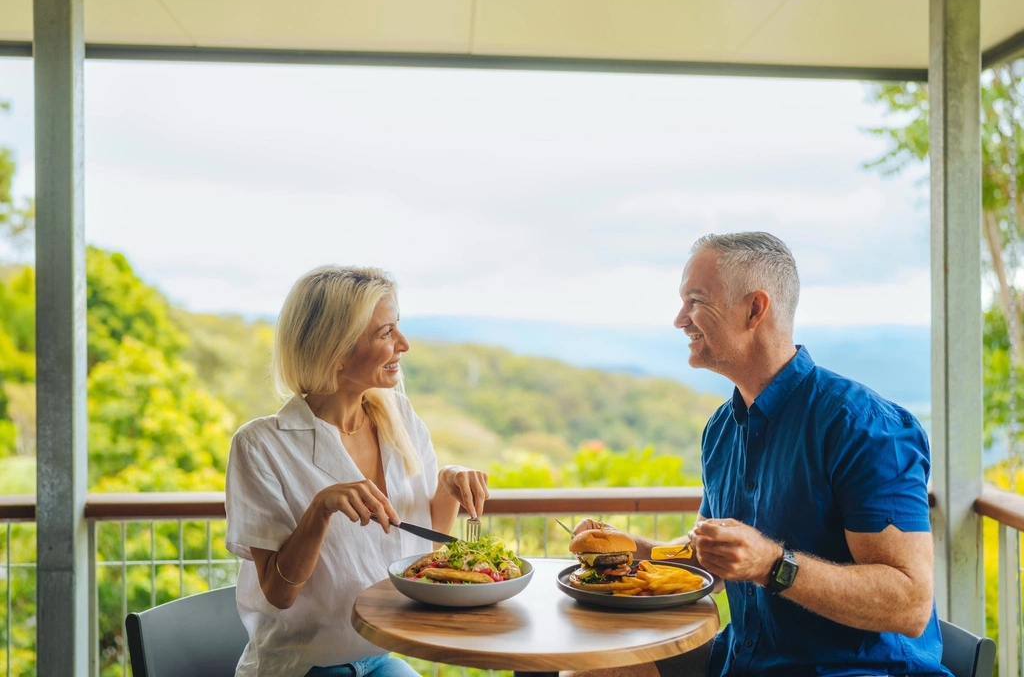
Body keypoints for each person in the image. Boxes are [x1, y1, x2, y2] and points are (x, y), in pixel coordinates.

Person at [572, 231, 950, 677]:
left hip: (855, 670)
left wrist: (773, 566)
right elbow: (710, 555)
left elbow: (909, 604)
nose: (680, 319)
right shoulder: (721, 428)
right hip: (745, 660)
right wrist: (637, 551)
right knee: (587, 672)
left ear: (755, 309)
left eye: (695, 300)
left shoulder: (865, 426)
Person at [224, 265, 490, 677]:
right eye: (386, 333)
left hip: (380, 657)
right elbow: (279, 593)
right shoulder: (260, 445)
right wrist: (320, 510)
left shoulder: (398, 417)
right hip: (302, 667)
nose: (403, 344)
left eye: (397, 327)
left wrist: (447, 485)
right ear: (336, 350)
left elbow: (426, 552)